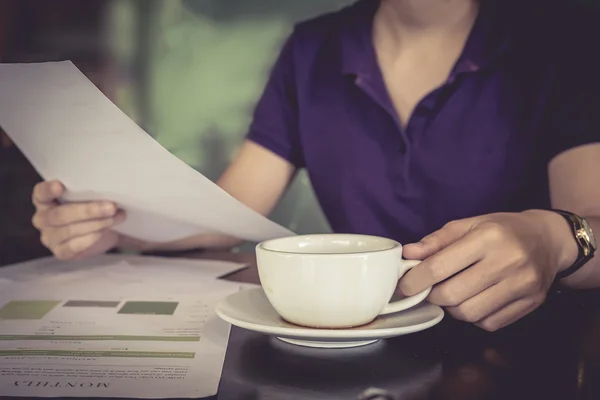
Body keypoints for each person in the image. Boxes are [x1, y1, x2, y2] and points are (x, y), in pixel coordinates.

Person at [31, 0, 600, 331]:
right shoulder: (313, 47)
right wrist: (113, 225)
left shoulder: (563, 37)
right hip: (348, 345)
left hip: (525, 352)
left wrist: (558, 240)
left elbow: (590, 223)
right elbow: (232, 211)